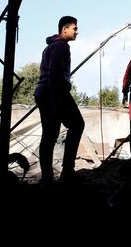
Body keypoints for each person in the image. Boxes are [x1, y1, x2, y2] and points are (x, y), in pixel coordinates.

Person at [34, 15, 85, 182]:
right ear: (65, 29)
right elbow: (54, 74)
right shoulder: (60, 47)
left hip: (46, 93)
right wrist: (56, 103)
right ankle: (66, 171)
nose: (77, 31)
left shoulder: (51, 47)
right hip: (53, 93)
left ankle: (47, 178)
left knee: (49, 135)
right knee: (76, 124)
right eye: (74, 28)